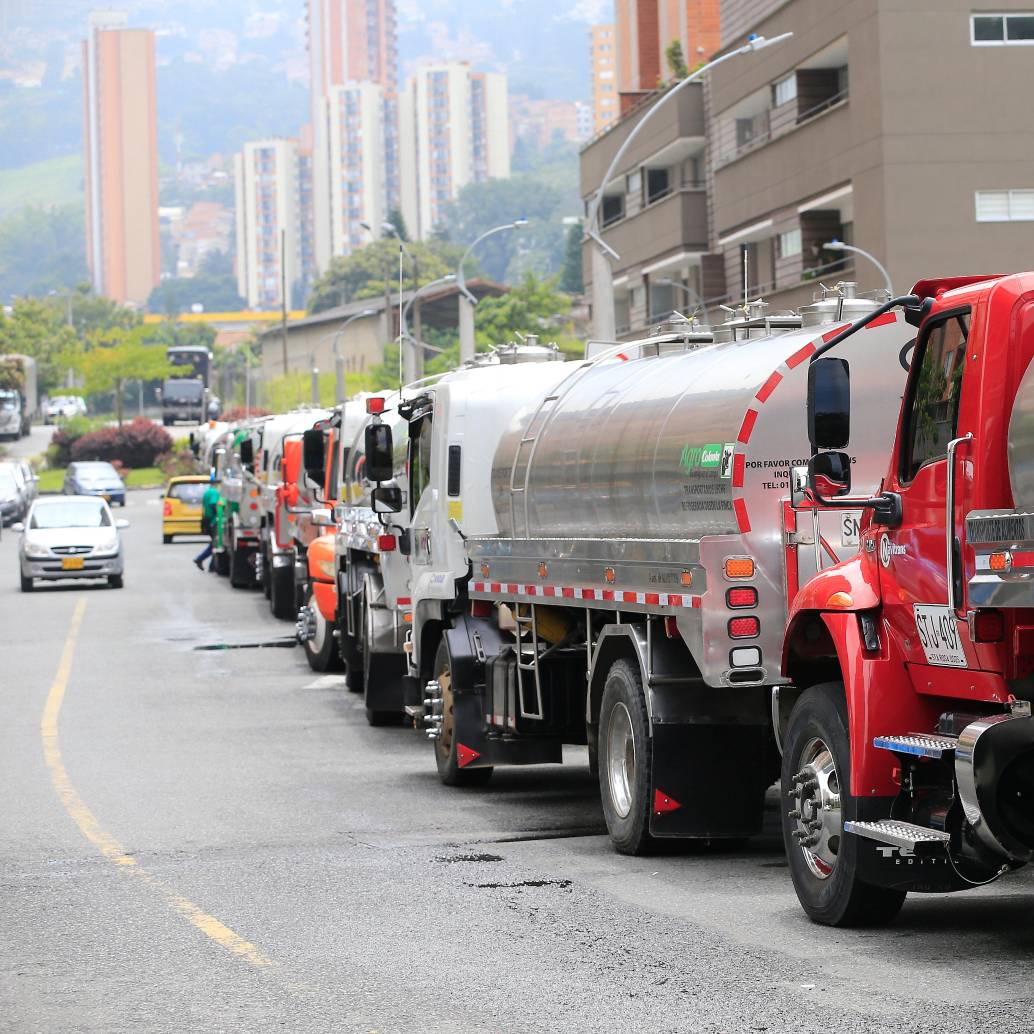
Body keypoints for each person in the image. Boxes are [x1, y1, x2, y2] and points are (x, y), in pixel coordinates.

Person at [194, 472, 221, 572]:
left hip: (207, 520)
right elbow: (213, 504)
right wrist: (220, 513)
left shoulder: (208, 491)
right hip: (213, 520)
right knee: (215, 543)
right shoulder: (214, 492)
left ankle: (212, 565)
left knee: (214, 543)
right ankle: (201, 559)